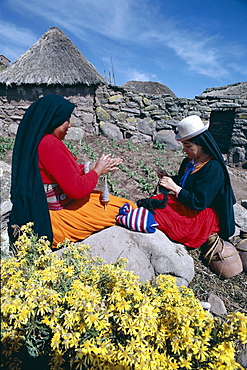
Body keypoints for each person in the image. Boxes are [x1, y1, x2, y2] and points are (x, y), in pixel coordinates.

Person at [8, 94, 136, 247]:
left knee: (121, 203)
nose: (69, 125)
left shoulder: (43, 140)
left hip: (60, 206)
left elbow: (65, 171)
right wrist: (97, 172)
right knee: (123, 209)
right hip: (56, 217)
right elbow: (76, 190)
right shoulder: (48, 145)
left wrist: (94, 166)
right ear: (53, 120)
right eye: (66, 120)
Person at [140, 115, 236, 248]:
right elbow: (185, 183)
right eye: (183, 145)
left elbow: (199, 202)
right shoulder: (189, 162)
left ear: (201, 144)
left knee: (159, 217)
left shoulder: (213, 168)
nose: (184, 150)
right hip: (187, 205)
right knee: (152, 203)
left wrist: (174, 188)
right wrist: (169, 179)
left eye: (188, 146)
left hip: (202, 214)